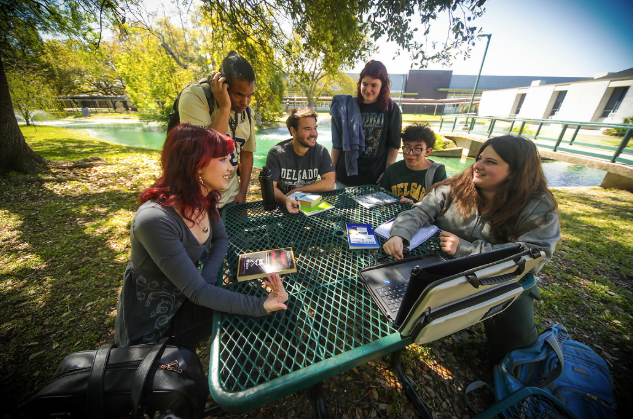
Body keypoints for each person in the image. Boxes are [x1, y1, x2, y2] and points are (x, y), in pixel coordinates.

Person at [383, 135, 560, 362]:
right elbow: (419, 212)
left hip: (497, 279)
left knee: (517, 351)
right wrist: (400, 234)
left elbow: (533, 255)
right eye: (479, 158)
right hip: (438, 266)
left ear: (517, 171)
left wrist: (465, 249)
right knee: (390, 299)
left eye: (491, 162)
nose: (477, 166)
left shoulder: (537, 205)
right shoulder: (454, 186)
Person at [115, 124, 288, 348]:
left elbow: (220, 240)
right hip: (154, 326)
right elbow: (198, 292)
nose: (231, 167)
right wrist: (261, 304)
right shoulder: (155, 220)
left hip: (191, 297)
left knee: (272, 313)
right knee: (261, 315)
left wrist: (206, 279)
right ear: (196, 164)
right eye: (223, 159)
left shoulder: (204, 198)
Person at [177, 51, 256, 208]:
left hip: (232, 195)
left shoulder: (247, 112)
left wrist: (242, 192)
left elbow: (246, 154)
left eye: (250, 96)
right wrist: (224, 107)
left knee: (237, 233)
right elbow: (206, 150)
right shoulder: (195, 97)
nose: (245, 102)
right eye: (239, 94)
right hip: (200, 197)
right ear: (222, 84)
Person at [330, 60, 402, 187]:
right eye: (365, 84)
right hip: (345, 177)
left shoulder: (391, 108)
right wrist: (331, 171)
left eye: (374, 85)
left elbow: (394, 145)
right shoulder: (347, 107)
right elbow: (337, 144)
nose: (368, 89)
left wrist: (387, 171)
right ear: (360, 83)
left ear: (383, 86)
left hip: (374, 180)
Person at [266, 107, 335, 213]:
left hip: (310, 208)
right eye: (307, 129)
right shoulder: (277, 153)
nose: (314, 134)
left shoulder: (321, 152)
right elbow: (271, 188)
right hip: (282, 209)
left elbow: (329, 183)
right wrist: (286, 200)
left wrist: (298, 190)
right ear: (293, 131)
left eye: (315, 128)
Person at [380, 124, 447, 204]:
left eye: (417, 149)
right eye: (407, 148)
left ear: (428, 151)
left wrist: (414, 206)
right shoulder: (391, 170)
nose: (411, 153)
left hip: (423, 215)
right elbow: (383, 201)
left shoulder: (436, 172)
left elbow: (441, 205)